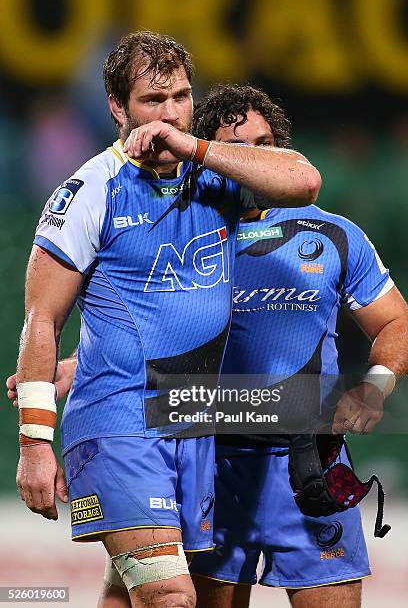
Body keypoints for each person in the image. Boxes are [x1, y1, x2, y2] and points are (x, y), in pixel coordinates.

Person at [13, 33, 321, 608]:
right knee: (172, 598)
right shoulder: (89, 192)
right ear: (116, 106)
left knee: (129, 594)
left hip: (192, 424)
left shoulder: (212, 174)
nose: (170, 112)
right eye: (154, 100)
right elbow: (41, 320)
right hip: (118, 423)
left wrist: (197, 147)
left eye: (181, 96)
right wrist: (34, 443)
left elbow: (303, 182)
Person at [187, 84, 408, 608]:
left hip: (308, 461)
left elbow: (396, 322)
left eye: (268, 144)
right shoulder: (185, 239)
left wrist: (375, 387)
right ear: (218, 160)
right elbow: (148, 333)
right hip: (211, 462)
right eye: (243, 150)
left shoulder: (334, 234)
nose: (261, 160)